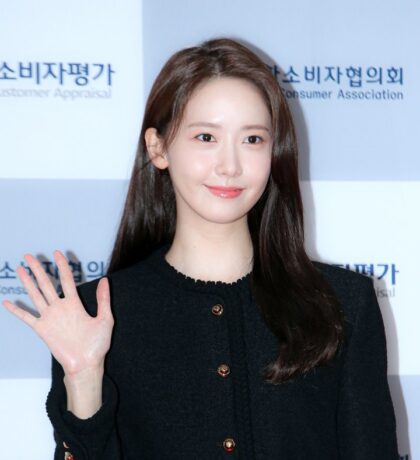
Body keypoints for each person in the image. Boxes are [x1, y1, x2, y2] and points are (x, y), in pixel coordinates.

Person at [2, 37, 399, 459]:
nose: (230, 166)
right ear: (158, 147)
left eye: (253, 140)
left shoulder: (342, 304)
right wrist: (83, 378)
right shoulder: (98, 314)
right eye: (206, 137)